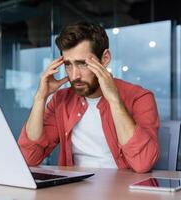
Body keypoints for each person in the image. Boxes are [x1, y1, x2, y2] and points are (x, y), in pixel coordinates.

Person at [18, 22, 159, 173]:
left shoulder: (140, 98)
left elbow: (142, 163)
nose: (74, 75)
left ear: (105, 58)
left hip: (122, 191)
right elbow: (29, 157)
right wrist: (40, 98)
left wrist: (114, 100)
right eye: (68, 65)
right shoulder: (60, 100)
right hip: (74, 190)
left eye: (82, 64)